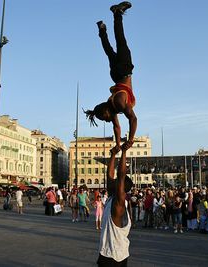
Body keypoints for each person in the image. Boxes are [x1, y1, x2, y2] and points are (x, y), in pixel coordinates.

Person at [84, 1, 137, 152]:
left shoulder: (119, 103)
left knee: (121, 41)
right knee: (109, 51)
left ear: (106, 111)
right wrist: (118, 145)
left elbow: (133, 119)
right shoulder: (113, 107)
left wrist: (131, 140)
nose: (106, 121)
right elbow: (117, 127)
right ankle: (102, 29)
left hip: (124, 71)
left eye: (103, 118)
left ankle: (117, 13)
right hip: (115, 75)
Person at [97, 144, 133, 266]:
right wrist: (113, 155)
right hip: (108, 253)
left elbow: (121, 176)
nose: (112, 181)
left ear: (121, 188)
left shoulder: (119, 204)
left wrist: (123, 152)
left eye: (116, 182)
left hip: (114, 258)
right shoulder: (112, 199)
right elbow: (110, 176)